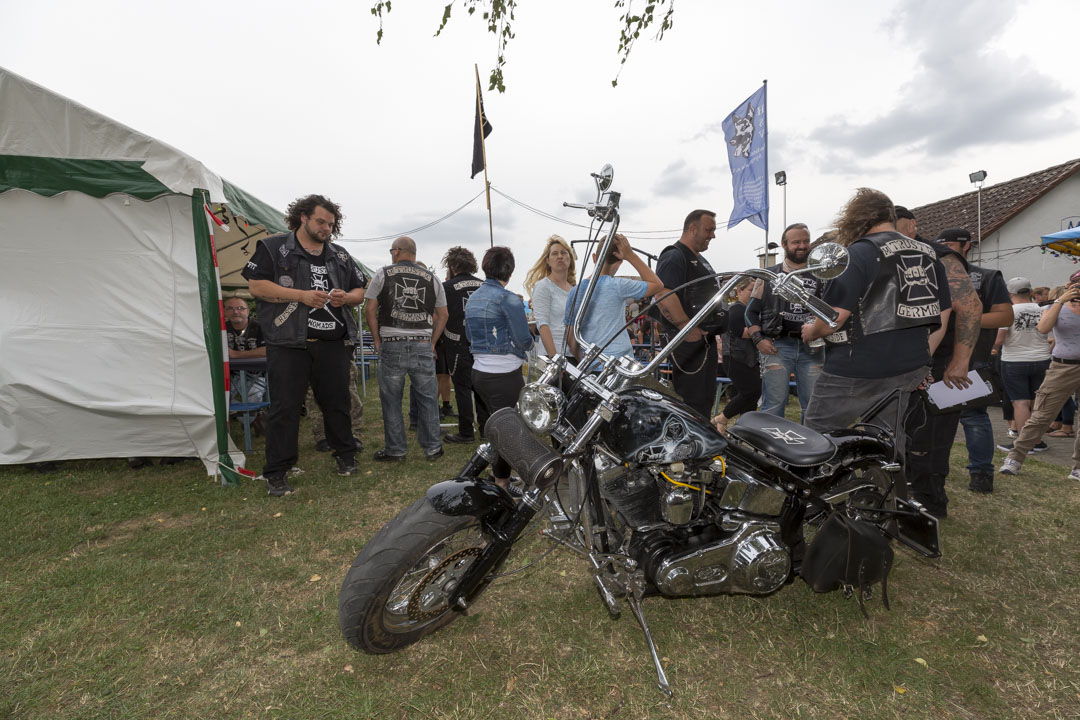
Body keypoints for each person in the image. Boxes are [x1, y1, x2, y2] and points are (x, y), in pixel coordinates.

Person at [802, 189, 955, 473]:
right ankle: (884, 494)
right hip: (909, 364)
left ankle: (815, 491)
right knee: (886, 439)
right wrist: (924, 356)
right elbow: (943, 312)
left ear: (857, 217)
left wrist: (811, 331)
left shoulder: (858, 253)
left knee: (817, 435)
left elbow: (834, 317)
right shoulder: (928, 253)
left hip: (856, 364)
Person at [242, 194, 366, 496]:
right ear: (303, 218)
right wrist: (301, 295)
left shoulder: (340, 255)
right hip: (288, 343)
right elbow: (256, 286)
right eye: (321, 222)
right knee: (285, 408)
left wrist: (346, 298)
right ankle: (277, 472)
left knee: (338, 403)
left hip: (333, 343)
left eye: (331, 224)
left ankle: (346, 455)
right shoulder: (274, 247)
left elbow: (360, 291)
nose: (326, 228)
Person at [904, 228, 1011, 511]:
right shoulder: (924, 270)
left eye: (949, 244)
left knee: (973, 419)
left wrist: (963, 314)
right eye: (940, 244)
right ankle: (919, 485)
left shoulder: (986, 276)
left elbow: (1006, 316)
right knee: (924, 425)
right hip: (935, 359)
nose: (944, 248)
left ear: (967, 246)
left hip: (971, 360)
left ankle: (981, 472)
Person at [365, 236, 448, 462]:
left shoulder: (383, 274)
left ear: (396, 251)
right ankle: (433, 448)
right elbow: (443, 314)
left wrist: (377, 339)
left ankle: (396, 450)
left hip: (392, 342)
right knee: (428, 398)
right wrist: (432, 341)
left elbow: (370, 309)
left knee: (391, 400)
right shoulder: (433, 278)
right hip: (422, 342)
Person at [1001, 271, 1080, 481]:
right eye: (1078, 285)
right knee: (1042, 415)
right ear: (1069, 285)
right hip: (1063, 367)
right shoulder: (1054, 306)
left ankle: (1077, 468)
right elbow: (1043, 328)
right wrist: (1061, 301)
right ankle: (1015, 458)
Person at [465, 246, 533, 488]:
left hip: (479, 372)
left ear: (485, 267)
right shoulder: (508, 299)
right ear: (510, 272)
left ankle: (499, 477)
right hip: (503, 374)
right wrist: (530, 340)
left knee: (494, 430)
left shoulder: (473, 298)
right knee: (508, 432)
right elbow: (523, 340)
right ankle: (501, 485)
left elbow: (469, 335)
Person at [744, 222, 824, 421]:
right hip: (778, 347)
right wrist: (758, 339)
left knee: (813, 407)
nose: (802, 246)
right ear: (784, 245)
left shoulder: (822, 274)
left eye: (806, 241)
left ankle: (810, 441)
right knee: (773, 405)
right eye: (796, 242)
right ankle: (770, 441)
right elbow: (750, 312)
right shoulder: (768, 275)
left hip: (813, 347)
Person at [654, 209, 724, 418]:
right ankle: (687, 437)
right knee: (692, 401)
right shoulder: (674, 255)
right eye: (709, 230)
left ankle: (699, 435)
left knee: (703, 399)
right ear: (692, 229)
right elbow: (663, 293)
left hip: (703, 340)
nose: (713, 235)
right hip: (688, 342)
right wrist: (686, 327)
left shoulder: (697, 258)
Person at [563, 234, 663, 361]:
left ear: (594, 258)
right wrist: (630, 255)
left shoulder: (575, 292)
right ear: (619, 263)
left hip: (590, 363)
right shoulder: (619, 285)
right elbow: (658, 285)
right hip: (620, 361)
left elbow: (570, 336)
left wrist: (583, 360)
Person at [995, 277, 1051, 455]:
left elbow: (1000, 339)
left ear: (1009, 293)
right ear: (1031, 292)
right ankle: (1037, 441)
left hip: (1014, 361)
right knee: (1036, 403)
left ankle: (1025, 444)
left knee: (1020, 403)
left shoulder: (1008, 311)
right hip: (1042, 359)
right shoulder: (1044, 309)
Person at [440, 247, 485, 444]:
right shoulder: (484, 285)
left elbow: (441, 316)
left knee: (462, 389)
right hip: (482, 344)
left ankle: (466, 432)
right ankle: (485, 429)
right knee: (481, 388)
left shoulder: (447, 287)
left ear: (451, 265)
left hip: (457, 344)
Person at [712, 279, 761, 434]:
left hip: (748, 359)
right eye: (751, 290)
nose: (754, 293)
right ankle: (722, 418)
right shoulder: (737, 309)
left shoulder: (749, 310)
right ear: (739, 291)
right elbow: (744, 333)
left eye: (756, 290)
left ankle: (744, 429)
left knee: (750, 395)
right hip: (735, 358)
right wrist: (766, 330)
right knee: (751, 392)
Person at [524, 235, 577, 358]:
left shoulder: (575, 290)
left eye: (564, 252)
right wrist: (555, 358)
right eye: (554, 253)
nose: (560, 256)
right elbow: (542, 325)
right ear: (547, 261)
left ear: (570, 258)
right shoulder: (543, 286)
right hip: (554, 356)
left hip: (574, 355)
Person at [224, 296, 266, 403]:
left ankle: (254, 413)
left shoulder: (261, 327)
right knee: (220, 398)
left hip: (257, 375)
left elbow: (267, 351)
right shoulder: (220, 329)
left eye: (240, 308)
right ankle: (236, 411)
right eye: (230, 308)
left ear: (248, 311)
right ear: (225, 312)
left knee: (253, 399)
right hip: (229, 376)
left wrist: (236, 354)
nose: (235, 312)